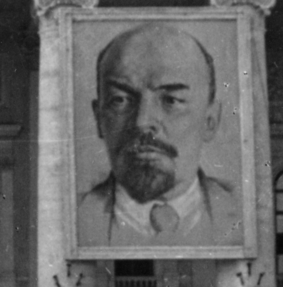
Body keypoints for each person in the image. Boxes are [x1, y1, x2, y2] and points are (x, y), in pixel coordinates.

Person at [77, 23, 236, 248]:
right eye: (120, 100)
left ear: (210, 121)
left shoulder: (240, 212)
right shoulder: (75, 218)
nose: (142, 123)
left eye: (171, 100)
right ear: (98, 118)